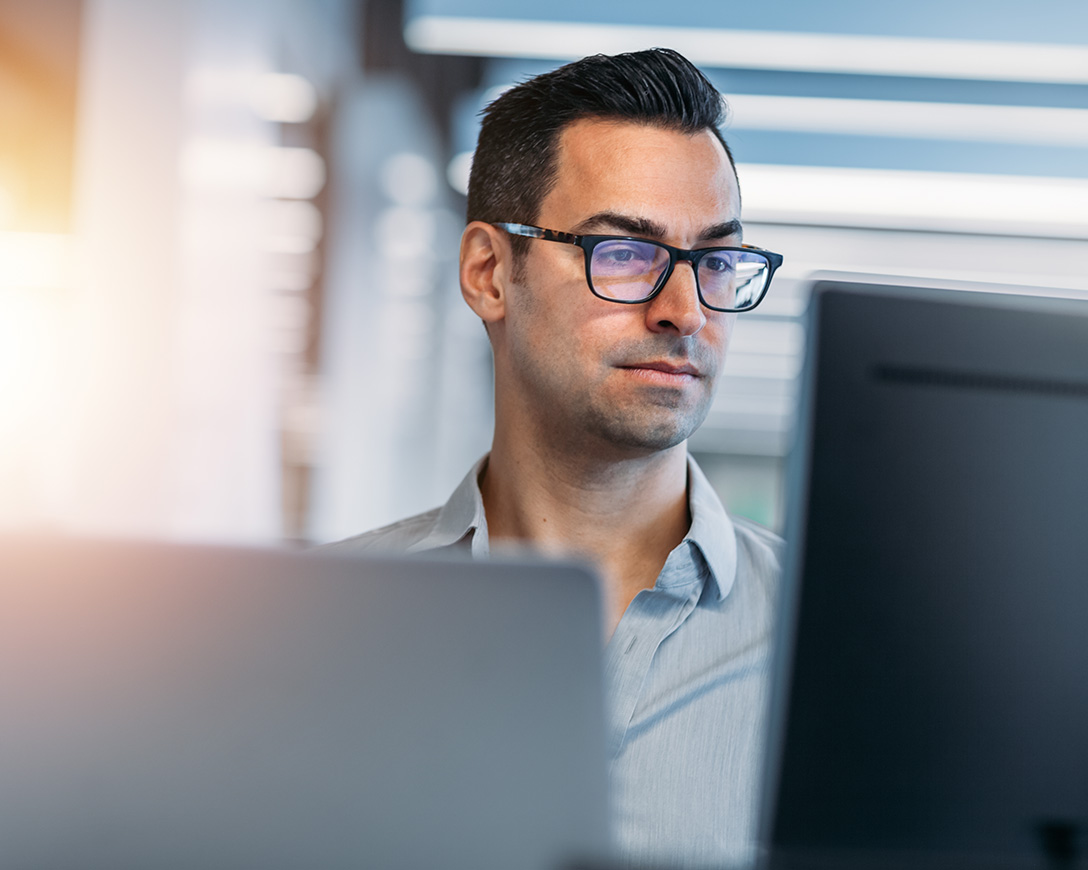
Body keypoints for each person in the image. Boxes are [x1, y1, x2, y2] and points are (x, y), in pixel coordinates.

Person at [332, 48, 785, 867]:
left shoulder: (826, 650)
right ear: (489, 273)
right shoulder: (316, 622)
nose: (685, 310)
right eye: (624, 253)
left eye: (716, 261)